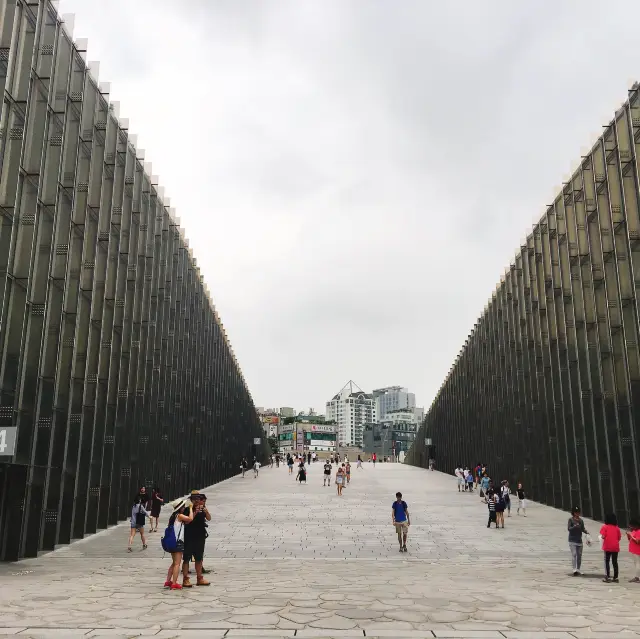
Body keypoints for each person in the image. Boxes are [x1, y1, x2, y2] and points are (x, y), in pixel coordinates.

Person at [182, 492, 211, 587]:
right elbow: (187, 521)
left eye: (198, 499)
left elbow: (209, 518)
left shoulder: (203, 509)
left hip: (200, 536)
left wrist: (206, 511)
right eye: (194, 499)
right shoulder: (187, 510)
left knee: (199, 558)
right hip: (189, 537)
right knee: (186, 559)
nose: (197, 501)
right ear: (191, 500)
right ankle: (185, 579)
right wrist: (194, 512)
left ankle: (200, 578)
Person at [164, 498, 194, 590]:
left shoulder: (173, 516)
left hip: (172, 541)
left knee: (173, 563)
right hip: (178, 542)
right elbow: (190, 519)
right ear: (180, 508)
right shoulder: (179, 516)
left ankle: (168, 581)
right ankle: (174, 583)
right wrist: (191, 509)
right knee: (177, 563)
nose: (184, 507)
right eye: (183, 506)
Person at [568, 506, 590, 576]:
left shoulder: (581, 520)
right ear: (573, 513)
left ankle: (578, 568)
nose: (577, 513)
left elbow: (582, 528)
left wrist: (586, 532)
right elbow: (569, 528)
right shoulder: (570, 520)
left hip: (579, 540)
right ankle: (574, 569)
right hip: (572, 540)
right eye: (576, 512)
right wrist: (574, 526)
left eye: (578, 512)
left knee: (579, 555)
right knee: (574, 554)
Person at [600, 513, 621, 583]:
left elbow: (603, 536)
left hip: (607, 546)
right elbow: (619, 538)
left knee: (607, 561)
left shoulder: (605, 527)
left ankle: (607, 576)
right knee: (615, 562)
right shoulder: (617, 528)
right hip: (615, 547)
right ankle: (615, 577)